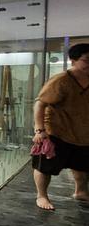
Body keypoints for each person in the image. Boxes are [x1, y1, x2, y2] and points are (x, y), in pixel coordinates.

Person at [32, 42, 89, 210]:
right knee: (45, 167)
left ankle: (81, 192)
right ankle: (41, 196)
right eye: (86, 60)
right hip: (56, 131)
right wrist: (39, 130)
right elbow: (40, 104)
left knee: (82, 165)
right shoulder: (61, 80)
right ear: (73, 60)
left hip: (83, 133)